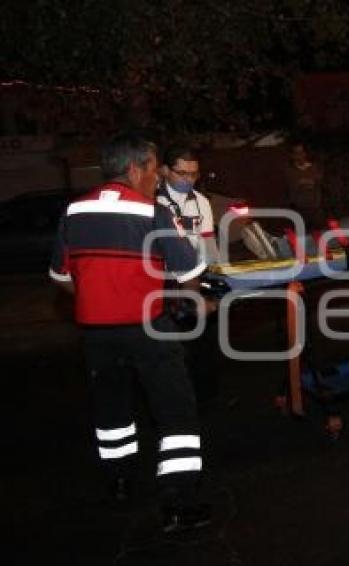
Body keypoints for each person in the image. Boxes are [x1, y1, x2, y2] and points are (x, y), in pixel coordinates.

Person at [49, 132, 213, 533]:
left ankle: (120, 482)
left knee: (112, 410)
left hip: (96, 333)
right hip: (149, 328)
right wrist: (197, 302)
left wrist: (97, 294)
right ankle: (178, 502)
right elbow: (189, 276)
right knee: (174, 410)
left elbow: (60, 276)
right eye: (154, 168)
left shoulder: (73, 211)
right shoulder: (152, 212)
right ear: (135, 168)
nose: (157, 178)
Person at [158, 144, 221, 403]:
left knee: (203, 342)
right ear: (164, 170)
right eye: (182, 173)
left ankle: (204, 398)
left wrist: (216, 276)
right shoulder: (154, 201)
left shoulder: (201, 202)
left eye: (193, 174)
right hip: (164, 283)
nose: (188, 180)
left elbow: (208, 245)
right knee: (169, 346)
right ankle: (174, 398)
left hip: (197, 278)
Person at [284, 140, 325, 230]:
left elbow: (320, 185)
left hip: (316, 209)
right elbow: (291, 189)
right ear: (292, 156)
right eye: (297, 153)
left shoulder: (314, 168)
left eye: (301, 152)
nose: (300, 156)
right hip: (300, 211)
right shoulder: (290, 172)